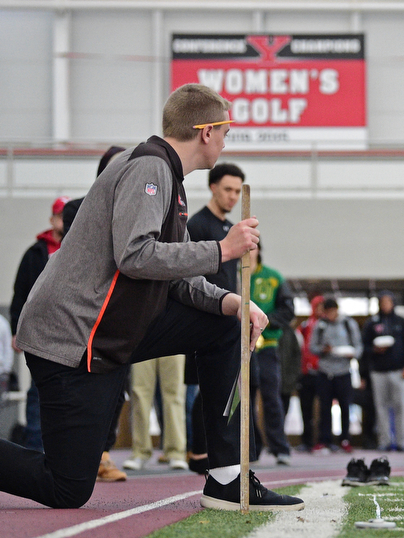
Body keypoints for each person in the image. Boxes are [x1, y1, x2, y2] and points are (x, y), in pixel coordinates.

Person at [1, 83, 304, 511]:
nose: (225, 140)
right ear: (206, 131)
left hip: (111, 331)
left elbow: (171, 275)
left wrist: (230, 302)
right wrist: (222, 249)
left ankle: (226, 480)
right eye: (226, 131)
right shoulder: (149, 168)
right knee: (66, 488)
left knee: (225, 326)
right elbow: (135, 256)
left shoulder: (168, 177)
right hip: (72, 339)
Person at [63, 146, 128, 483]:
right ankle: (79, 454)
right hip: (83, 316)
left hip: (120, 317)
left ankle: (102, 453)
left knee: (117, 388)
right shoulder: (77, 209)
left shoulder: (136, 213)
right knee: (82, 387)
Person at [185, 161, 245, 473]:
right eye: (228, 190)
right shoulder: (197, 226)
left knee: (222, 387)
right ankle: (196, 453)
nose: (233, 196)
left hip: (228, 319)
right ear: (213, 188)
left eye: (238, 191)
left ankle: (213, 453)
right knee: (203, 389)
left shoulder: (229, 229)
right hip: (203, 317)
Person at [9, 195, 69, 453]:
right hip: (39, 333)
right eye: (60, 216)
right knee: (37, 390)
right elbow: (19, 294)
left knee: (65, 392)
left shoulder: (75, 248)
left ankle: (61, 448)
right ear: (52, 219)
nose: (64, 221)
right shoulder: (35, 253)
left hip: (68, 333)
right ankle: (35, 447)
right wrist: (16, 330)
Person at [251, 241, 295, 465]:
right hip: (242, 350)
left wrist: (266, 323)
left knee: (271, 398)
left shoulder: (273, 277)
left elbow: (288, 309)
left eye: (253, 248)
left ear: (259, 250)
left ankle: (280, 447)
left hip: (267, 347)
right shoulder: (234, 276)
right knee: (245, 401)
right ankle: (252, 448)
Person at [360, 290, 404, 452]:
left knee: (400, 406)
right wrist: (374, 350)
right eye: (382, 302)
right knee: (381, 406)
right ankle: (384, 440)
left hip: (398, 371)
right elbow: (364, 348)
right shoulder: (372, 323)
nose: (385, 305)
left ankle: (401, 441)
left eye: (388, 302)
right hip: (378, 371)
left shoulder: (402, 323)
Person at [309, 297, 362, 453]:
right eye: (327, 312)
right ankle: (324, 440)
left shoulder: (348, 324)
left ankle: (345, 439)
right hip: (325, 371)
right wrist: (322, 350)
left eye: (332, 311)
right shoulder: (320, 325)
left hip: (343, 371)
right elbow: (312, 347)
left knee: (345, 406)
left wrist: (352, 354)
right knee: (325, 407)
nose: (330, 315)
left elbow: (358, 346)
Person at [123, 355, 188, 471]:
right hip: (143, 338)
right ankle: (140, 451)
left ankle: (176, 452)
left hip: (174, 338)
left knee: (175, 393)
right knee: (139, 393)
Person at [296, 295, 324, 451]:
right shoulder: (305, 326)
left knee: (324, 409)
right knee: (306, 409)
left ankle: (322, 440)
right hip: (306, 373)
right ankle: (306, 441)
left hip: (323, 372)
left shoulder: (328, 325)